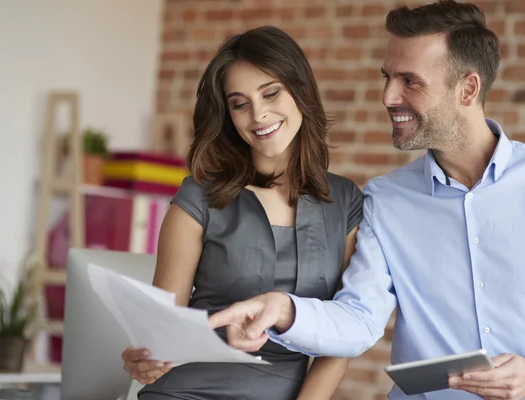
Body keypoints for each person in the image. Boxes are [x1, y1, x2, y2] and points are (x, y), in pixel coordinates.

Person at [209, 1, 525, 400]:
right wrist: (282, 309)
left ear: (468, 88)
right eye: (387, 77)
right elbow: (359, 317)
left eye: (410, 81)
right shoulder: (386, 198)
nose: (388, 96)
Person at [121, 25, 364, 400]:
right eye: (240, 103)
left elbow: (342, 335)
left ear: (300, 92)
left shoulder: (345, 201)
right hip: (186, 391)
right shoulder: (200, 195)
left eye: (270, 93)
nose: (259, 115)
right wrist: (144, 358)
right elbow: (163, 329)